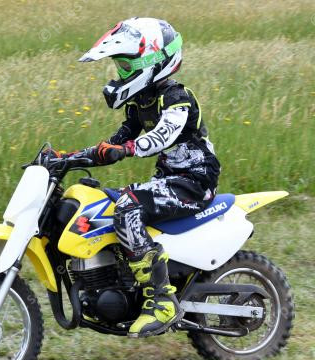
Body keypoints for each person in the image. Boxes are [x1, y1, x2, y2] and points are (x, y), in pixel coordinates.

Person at [50, 17, 220, 338]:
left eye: (126, 67)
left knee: (128, 205)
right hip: (167, 180)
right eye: (119, 68)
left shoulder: (177, 98)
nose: (120, 74)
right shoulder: (140, 103)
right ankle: (122, 282)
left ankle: (162, 301)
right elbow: (113, 144)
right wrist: (66, 158)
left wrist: (127, 149)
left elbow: (162, 135)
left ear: (153, 62)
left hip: (194, 182)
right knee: (106, 202)